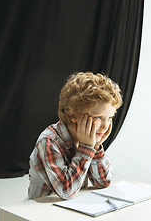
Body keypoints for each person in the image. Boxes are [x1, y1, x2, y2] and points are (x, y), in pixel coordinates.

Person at [28, 72, 123, 200]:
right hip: (40, 211)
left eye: (110, 118)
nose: (105, 126)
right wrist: (87, 149)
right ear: (73, 115)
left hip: (73, 208)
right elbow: (65, 191)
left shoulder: (87, 140)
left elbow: (103, 182)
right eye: (99, 117)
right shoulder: (49, 141)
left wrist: (95, 146)